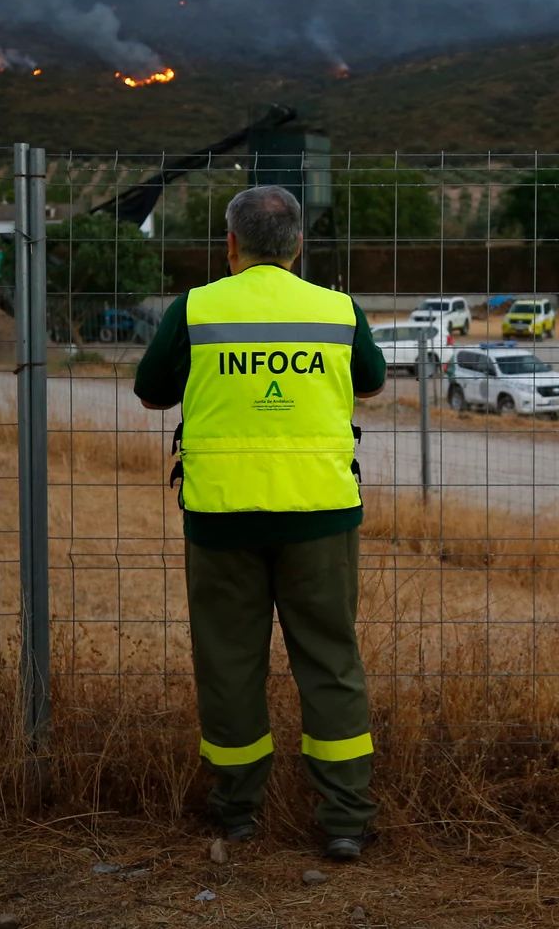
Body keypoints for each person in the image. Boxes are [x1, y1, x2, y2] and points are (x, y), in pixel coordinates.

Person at [134, 185, 385, 861]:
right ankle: (345, 818)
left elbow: (151, 390)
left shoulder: (196, 308)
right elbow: (373, 380)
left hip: (223, 519)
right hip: (321, 516)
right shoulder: (337, 310)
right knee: (331, 662)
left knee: (229, 665)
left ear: (231, 246)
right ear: (299, 246)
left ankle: (238, 813)